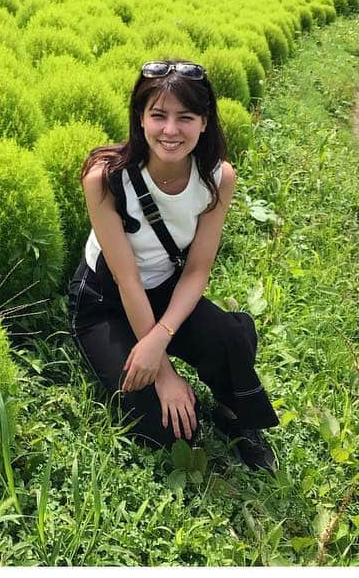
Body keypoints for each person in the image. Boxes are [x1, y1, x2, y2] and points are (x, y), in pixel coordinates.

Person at [67, 59, 279, 471]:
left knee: (229, 340)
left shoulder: (218, 178)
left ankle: (235, 412)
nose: (170, 130)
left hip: (165, 289)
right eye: (158, 115)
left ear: (204, 123)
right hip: (104, 301)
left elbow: (197, 269)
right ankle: (197, 354)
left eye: (186, 117)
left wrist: (159, 338)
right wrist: (163, 374)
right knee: (170, 431)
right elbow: (127, 280)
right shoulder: (105, 178)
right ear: (140, 119)